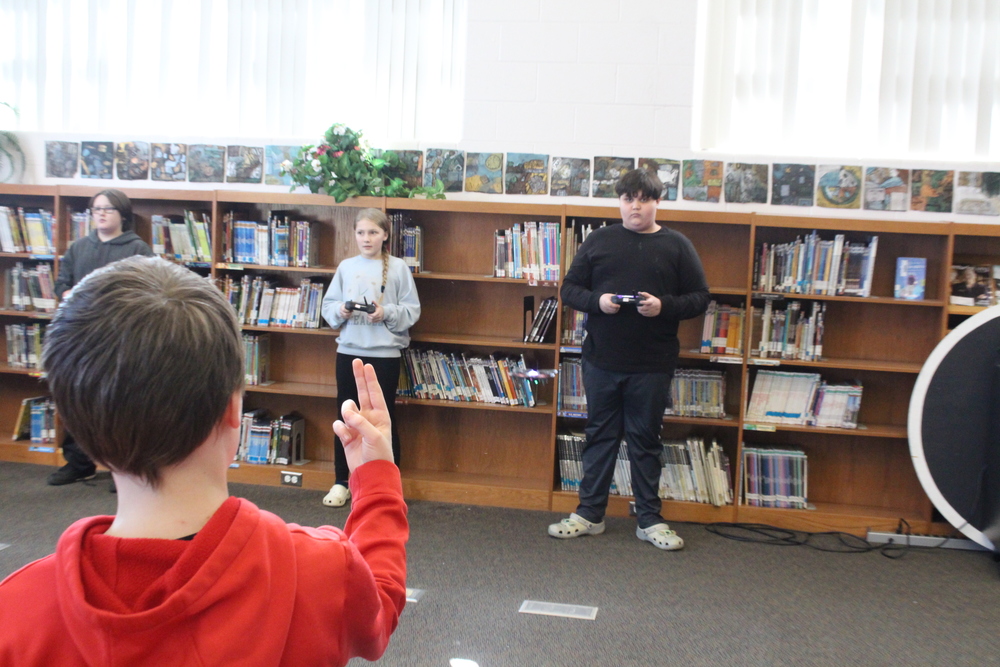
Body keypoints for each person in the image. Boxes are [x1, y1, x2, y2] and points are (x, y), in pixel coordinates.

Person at [0, 256, 408, 665]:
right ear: (234, 411)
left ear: (74, 425)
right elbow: (379, 606)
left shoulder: (16, 612)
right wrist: (376, 482)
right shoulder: (323, 571)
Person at [550, 168, 710, 551]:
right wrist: (598, 302)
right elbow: (569, 289)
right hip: (601, 360)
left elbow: (700, 297)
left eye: (643, 198)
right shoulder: (600, 240)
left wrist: (663, 306)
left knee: (644, 441)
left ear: (657, 202)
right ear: (620, 202)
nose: (635, 206)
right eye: (628, 198)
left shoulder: (677, 245)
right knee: (599, 436)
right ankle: (589, 515)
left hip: (652, 364)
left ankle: (649, 520)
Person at [47, 188, 154, 488]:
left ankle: (126, 470)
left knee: (122, 404)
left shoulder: (138, 250)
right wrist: (67, 294)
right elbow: (61, 283)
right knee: (77, 400)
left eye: (107, 209)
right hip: (81, 337)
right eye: (96, 209)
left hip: (122, 339)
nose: (101, 214)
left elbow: (150, 290)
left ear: (122, 214)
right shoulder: (79, 247)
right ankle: (79, 464)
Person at [321, 208, 420, 507]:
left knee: (382, 419)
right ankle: (342, 482)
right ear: (355, 235)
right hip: (349, 352)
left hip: (385, 356)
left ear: (385, 235)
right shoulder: (346, 267)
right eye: (361, 232)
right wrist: (341, 310)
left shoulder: (399, 268)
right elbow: (329, 307)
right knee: (346, 417)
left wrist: (386, 312)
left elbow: (412, 311)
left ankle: (388, 485)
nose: (367, 238)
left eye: (373, 232)